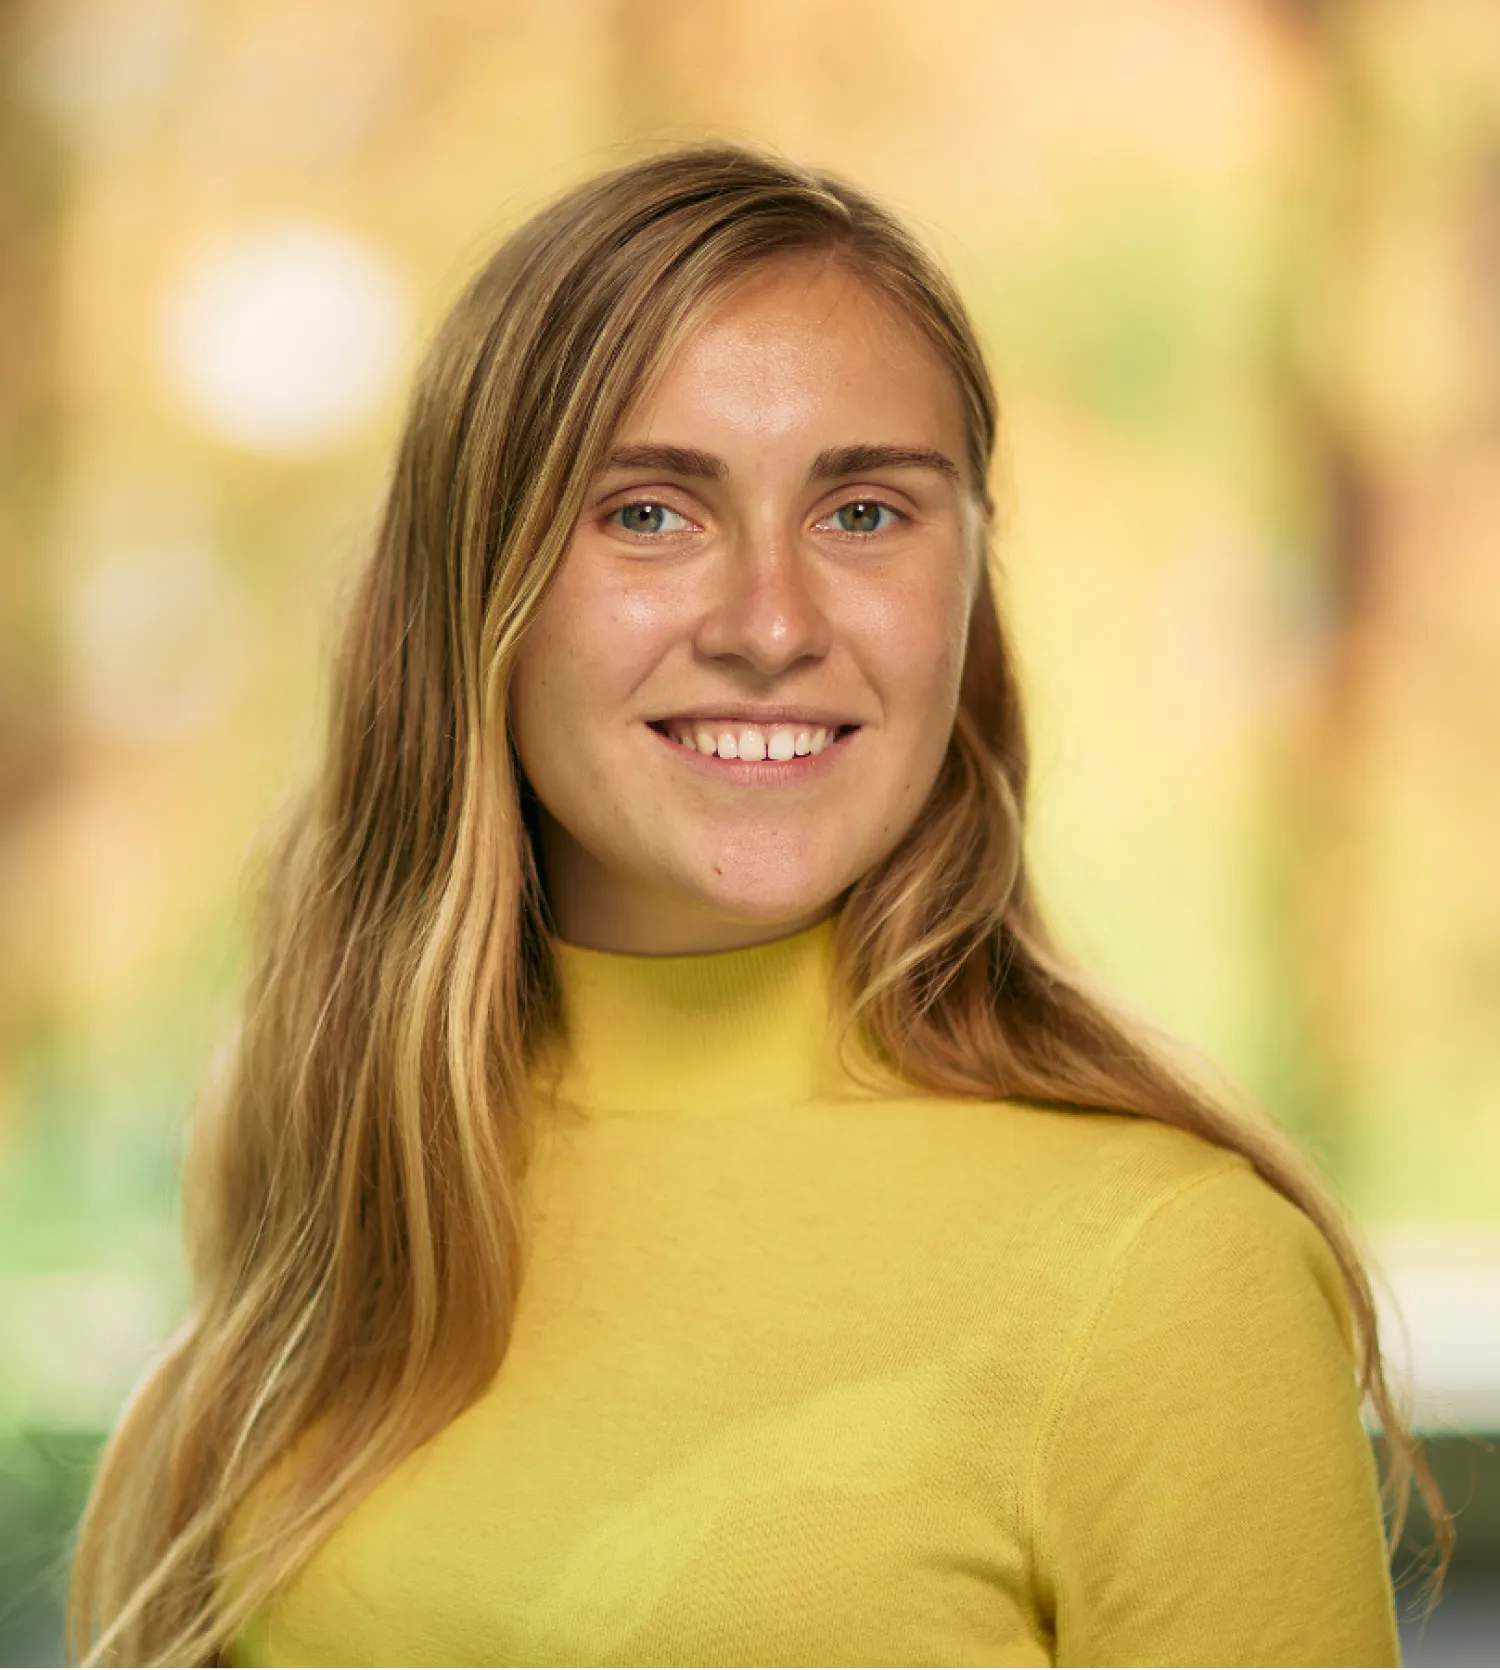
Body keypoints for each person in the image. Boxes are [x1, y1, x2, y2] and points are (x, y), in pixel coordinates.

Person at [68, 143, 1450, 1670]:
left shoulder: (1176, 1273)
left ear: (970, 589)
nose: (773, 624)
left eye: (865, 513)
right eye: (651, 512)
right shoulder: (352, 1176)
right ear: (478, 585)